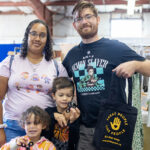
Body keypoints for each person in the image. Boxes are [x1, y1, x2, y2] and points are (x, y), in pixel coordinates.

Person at [62, 1, 150, 150]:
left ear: (97, 19)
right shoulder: (72, 56)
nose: (84, 21)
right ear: (74, 25)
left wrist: (136, 64)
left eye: (88, 16)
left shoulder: (116, 48)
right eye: (79, 18)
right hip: (85, 130)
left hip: (114, 127)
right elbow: (61, 84)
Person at [0, 19, 68, 146]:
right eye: (33, 33)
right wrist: (0, 129)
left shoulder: (57, 67)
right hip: (13, 128)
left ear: (47, 40)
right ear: (27, 36)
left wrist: (61, 115)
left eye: (42, 35)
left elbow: (66, 96)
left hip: (44, 129)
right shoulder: (10, 62)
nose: (37, 38)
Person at [42, 77, 80, 150]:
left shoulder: (74, 114)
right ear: (54, 96)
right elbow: (44, 135)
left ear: (72, 97)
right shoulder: (48, 112)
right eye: (61, 95)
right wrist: (53, 116)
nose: (64, 98)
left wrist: (73, 122)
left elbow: (75, 139)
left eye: (68, 95)